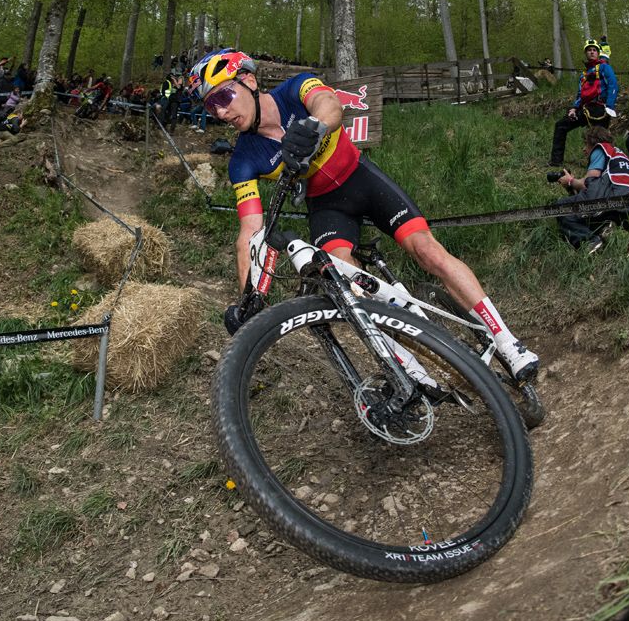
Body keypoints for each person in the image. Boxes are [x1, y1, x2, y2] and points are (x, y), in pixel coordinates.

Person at [192, 48, 539, 380]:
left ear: (249, 81)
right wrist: (249, 299)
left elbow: (330, 105)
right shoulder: (242, 160)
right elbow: (250, 232)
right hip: (326, 207)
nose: (220, 113)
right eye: (211, 107)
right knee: (348, 284)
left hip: (362, 179)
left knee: (428, 251)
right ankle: (407, 366)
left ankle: (507, 342)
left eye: (223, 97)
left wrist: (314, 127)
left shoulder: (294, 88)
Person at [552, 125, 629, 254]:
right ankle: (606, 229)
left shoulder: (601, 149)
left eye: (585, 144)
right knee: (583, 215)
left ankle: (588, 242)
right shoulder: (621, 157)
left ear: (593, 142)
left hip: (611, 198)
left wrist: (570, 181)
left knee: (561, 207)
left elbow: (589, 184)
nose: (584, 150)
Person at [547, 39, 618, 167]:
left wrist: (610, 106)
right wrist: (574, 108)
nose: (591, 52)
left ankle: (608, 164)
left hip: (600, 108)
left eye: (594, 50)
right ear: (586, 53)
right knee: (561, 125)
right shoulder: (584, 74)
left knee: (601, 138)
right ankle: (556, 161)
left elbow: (613, 85)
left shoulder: (604, 67)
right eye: (589, 50)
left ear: (598, 52)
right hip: (585, 109)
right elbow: (580, 94)